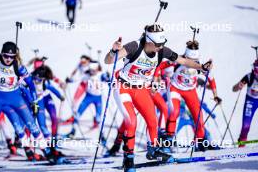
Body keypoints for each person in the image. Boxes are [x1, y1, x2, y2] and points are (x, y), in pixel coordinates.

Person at [104, 24, 212, 172]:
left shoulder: (162, 51)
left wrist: (201, 68)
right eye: (158, 44)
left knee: (152, 120)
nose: (161, 47)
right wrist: (113, 51)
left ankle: (152, 150)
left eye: (162, 44)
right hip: (123, 87)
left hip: (141, 89)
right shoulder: (134, 47)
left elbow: (184, 61)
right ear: (148, 41)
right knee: (131, 121)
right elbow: (108, 61)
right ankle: (128, 157)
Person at [0, 42, 67, 164]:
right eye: (6, 56)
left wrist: (34, 102)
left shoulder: (19, 67)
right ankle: (27, 149)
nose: (8, 59)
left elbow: (31, 85)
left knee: (32, 126)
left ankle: (48, 152)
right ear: (2, 54)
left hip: (15, 98)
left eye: (11, 57)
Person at [154, 40, 221, 152]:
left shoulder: (201, 64)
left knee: (198, 117)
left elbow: (211, 79)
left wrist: (215, 95)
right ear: (185, 56)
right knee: (174, 112)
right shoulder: (178, 60)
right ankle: (167, 143)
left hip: (190, 91)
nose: (192, 62)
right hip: (175, 88)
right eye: (190, 60)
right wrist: (156, 80)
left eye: (194, 60)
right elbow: (160, 66)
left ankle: (200, 143)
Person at [65, 61, 110, 137]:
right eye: (91, 70)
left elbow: (107, 79)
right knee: (77, 114)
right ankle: (73, 131)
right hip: (88, 97)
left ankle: (102, 135)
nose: (92, 72)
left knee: (99, 118)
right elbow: (78, 78)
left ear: (97, 69)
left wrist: (108, 79)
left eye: (94, 70)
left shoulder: (101, 74)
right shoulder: (87, 74)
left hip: (98, 99)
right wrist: (70, 80)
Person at [233, 59, 258, 147]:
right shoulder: (249, 76)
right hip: (250, 101)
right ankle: (242, 144)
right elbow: (234, 89)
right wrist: (238, 86)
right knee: (245, 126)